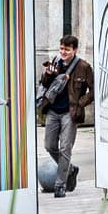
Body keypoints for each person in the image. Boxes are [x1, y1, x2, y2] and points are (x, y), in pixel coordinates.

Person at [40, 35, 93, 198]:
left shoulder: (83, 67)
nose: (63, 52)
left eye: (67, 49)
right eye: (61, 48)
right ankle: (70, 169)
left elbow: (93, 91)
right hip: (52, 110)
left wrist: (80, 104)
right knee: (49, 145)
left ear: (74, 50)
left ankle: (60, 185)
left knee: (65, 148)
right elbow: (44, 84)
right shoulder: (55, 62)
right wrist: (48, 74)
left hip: (70, 113)